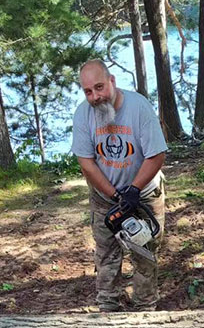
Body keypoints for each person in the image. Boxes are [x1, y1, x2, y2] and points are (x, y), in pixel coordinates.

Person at [71, 59, 167, 312]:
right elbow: (87, 163)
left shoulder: (139, 108)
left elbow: (156, 155)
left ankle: (145, 309)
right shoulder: (83, 114)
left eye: (99, 87)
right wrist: (115, 194)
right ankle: (108, 307)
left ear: (112, 82)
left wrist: (134, 190)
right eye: (88, 91)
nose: (95, 96)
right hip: (106, 198)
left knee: (144, 252)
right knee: (106, 255)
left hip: (143, 194)